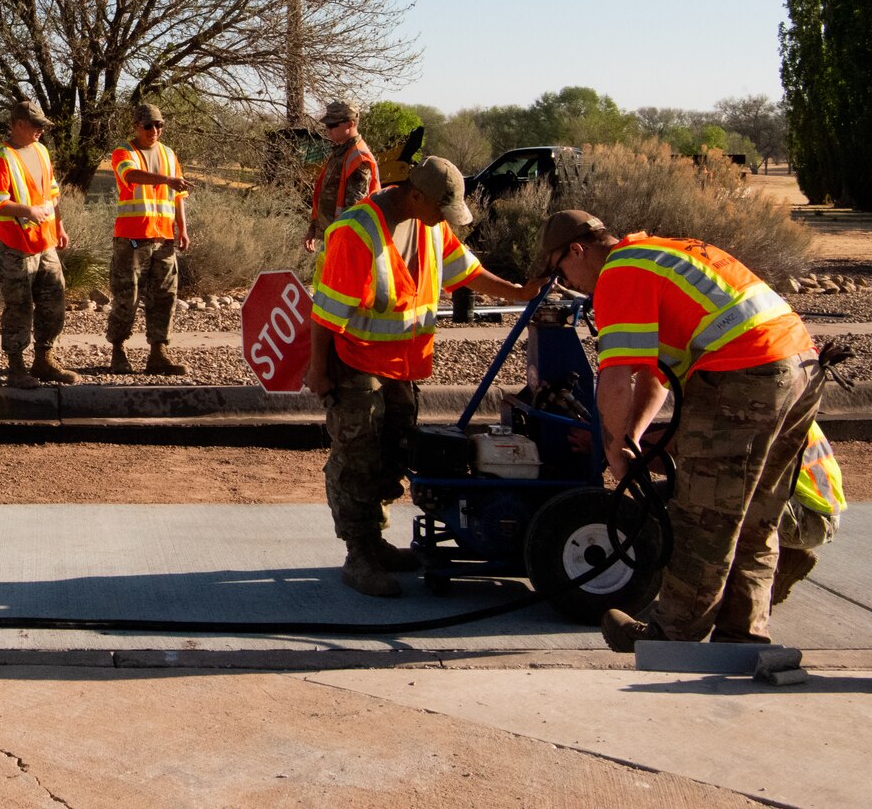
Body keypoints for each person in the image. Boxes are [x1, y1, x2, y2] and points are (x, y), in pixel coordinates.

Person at [535, 210, 822, 650]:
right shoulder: (657, 253)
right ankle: (741, 633)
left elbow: (615, 376)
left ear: (578, 250)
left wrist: (613, 454)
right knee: (756, 512)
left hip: (744, 372)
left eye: (561, 271)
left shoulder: (618, 272)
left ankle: (673, 634)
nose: (567, 283)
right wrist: (630, 437)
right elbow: (653, 375)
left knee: (704, 513)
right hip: (799, 365)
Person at [308, 157, 539, 596]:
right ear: (415, 195)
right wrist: (318, 370)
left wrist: (519, 293)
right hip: (357, 367)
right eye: (441, 209)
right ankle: (359, 553)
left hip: (404, 367)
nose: (445, 220)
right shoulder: (356, 232)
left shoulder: (430, 224)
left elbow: (466, 271)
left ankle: (375, 543)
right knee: (357, 461)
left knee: (393, 456)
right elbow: (325, 313)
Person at [0, 99, 76, 389]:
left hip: (44, 241)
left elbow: (52, 192)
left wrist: (58, 225)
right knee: (19, 306)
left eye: (43, 126)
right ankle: (16, 367)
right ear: (19, 124)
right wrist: (28, 211)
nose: (41, 131)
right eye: (36, 125)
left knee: (54, 300)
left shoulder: (42, 151)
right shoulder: (1, 158)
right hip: (14, 246)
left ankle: (44, 360)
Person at [106, 103, 191, 375]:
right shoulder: (124, 152)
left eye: (159, 125)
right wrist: (166, 180)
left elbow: (178, 196)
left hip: (163, 238)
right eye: (148, 126)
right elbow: (130, 176)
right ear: (136, 127)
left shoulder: (168, 154)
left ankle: (159, 353)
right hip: (131, 240)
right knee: (126, 296)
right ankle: (118, 351)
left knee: (165, 295)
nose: (154, 130)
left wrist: (182, 229)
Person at [773, 421, 844, 606]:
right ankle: (786, 557)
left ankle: (768, 573)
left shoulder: (765, 409)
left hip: (809, 518)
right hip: (810, 512)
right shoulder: (786, 398)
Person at [302, 100, 380, 254]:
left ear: (350, 124)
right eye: (327, 125)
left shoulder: (358, 157)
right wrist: (314, 228)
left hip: (345, 241)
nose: (328, 130)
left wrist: (342, 246)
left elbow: (355, 209)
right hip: (333, 234)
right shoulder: (341, 152)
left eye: (332, 125)